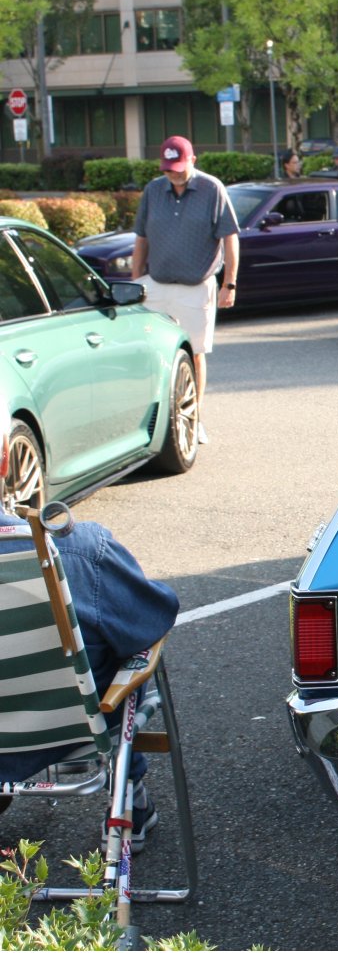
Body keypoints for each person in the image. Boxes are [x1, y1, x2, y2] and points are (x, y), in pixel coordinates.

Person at [0, 427, 179, 849]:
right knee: (129, 647)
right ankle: (128, 800)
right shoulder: (75, 549)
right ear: (6, 461)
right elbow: (153, 619)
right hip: (70, 730)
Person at [131, 136, 239, 446]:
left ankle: (194, 417)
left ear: (192, 160)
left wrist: (229, 283)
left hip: (196, 285)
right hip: (157, 284)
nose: (174, 175)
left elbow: (230, 238)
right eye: (168, 170)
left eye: (179, 168)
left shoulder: (211, 189)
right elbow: (141, 237)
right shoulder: (153, 190)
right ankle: (152, 420)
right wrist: (137, 280)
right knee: (152, 355)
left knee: (194, 354)